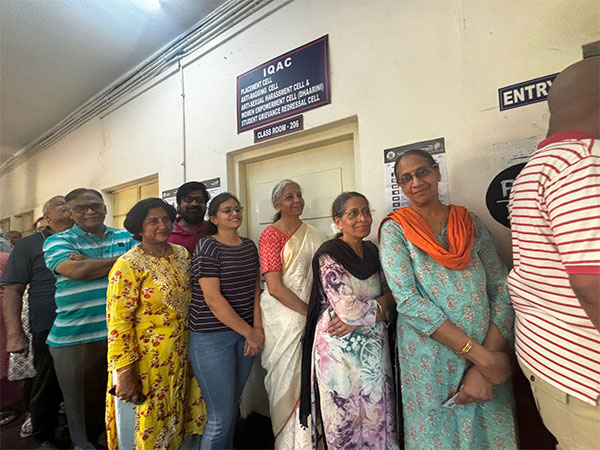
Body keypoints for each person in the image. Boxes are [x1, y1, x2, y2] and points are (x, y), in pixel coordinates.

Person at [379, 149, 517, 449]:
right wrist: (479, 357)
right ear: (400, 187)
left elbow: (502, 288)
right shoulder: (395, 231)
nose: (416, 182)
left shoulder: (470, 222)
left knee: (490, 433)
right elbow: (409, 302)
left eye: (422, 172)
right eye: (406, 178)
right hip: (430, 359)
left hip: (490, 345)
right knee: (439, 436)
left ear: (437, 172)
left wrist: (486, 364)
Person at [508, 56, 600, 449]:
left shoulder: (535, 168)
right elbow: (592, 285)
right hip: (582, 372)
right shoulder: (581, 162)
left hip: (552, 357)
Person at [300, 192, 398, 449]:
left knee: (378, 415)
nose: (362, 218)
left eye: (366, 211)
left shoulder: (373, 251)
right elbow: (347, 309)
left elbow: (392, 293)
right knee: (345, 421)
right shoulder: (329, 254)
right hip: (339, 352)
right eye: (353, 213)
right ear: (338, 221)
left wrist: (381, 305)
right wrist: (379, 306)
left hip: (374, 350)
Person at [105, 198, 206, 450]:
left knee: (181, 415)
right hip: (145, 362)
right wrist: (125, 374)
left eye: (165, 219)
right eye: (153, 221)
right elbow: (118, 323)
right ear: (139, 227)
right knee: (149, 421)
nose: (162, 225)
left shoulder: (182, 254)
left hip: (182, 355)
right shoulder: (128, 265)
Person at [43, 188, 136, 449]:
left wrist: (92, 262)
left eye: (95, 205)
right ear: (70, 212)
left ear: (105, 208)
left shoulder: (125, 235)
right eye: (81, 208)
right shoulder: (57, 241)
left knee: (124, 401)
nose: (90, 211)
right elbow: (77, 271)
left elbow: (143, 266)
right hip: (77, 338)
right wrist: (120, 261)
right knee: (83, 410)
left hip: (123, 335)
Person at [189, 192, 263, 449]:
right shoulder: (207, 245)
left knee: (232, 406)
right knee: (219, 416)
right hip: (211, 337)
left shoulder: (249, 246)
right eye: (227, 210)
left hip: (244, 335)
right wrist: (250, 333)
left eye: (237, 209)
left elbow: (255, 289)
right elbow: (212, 299)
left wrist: (257, 329)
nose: (234, 214)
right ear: (214, 218)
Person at [258, 179, 326, 448]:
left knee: (314, 377)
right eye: (289, 197)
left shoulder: (316, 234)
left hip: (311, 315)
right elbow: (274, 287)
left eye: (299, 194)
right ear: (277, 204)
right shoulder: (271, 236)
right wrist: (309, 314)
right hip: (284, 318)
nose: (296, 200)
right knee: (286, 380)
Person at [1, 196, 73, 449]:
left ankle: (79, 434)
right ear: (47, 217)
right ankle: (44, 436)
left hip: (90, 325)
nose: (68, 205)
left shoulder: (87, 239)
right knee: (47, 385)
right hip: (48, 325)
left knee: (86, 384)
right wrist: (15, 334)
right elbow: (12, 290)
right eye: (60, 203)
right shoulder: (30, 245)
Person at [168, 181, 211, 254]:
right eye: (188, 199)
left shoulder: (213, 229)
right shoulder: (167, 232)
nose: (194, 203)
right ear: (179, 203)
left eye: (200, 199)